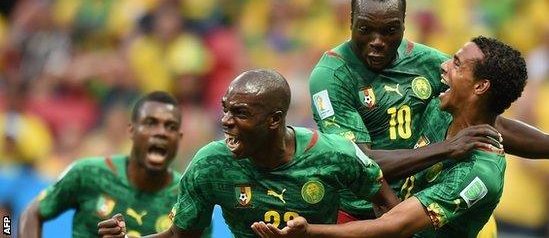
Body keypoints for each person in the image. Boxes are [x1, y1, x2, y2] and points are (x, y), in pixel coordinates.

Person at [308, 0, 549, 225]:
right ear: (350, 21)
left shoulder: (428, 63)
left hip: (423, 210)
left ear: (404, 24)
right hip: (356, 214)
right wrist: (446, 148)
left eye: (390, 30)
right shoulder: (332, 75)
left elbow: (483, 120)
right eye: (365, 29)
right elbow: (359, 164)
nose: (377, 41)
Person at [250, 36, 522, 237]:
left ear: (481, 86)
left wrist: (310, 232)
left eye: (457, 64)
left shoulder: (480, 171)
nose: (443, 65)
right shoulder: (440, 111)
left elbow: (395, 226)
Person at [96, 69, 400, 238]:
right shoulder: (210, 164)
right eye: (225, 109)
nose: (226, 121)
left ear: (274, 120)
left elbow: (391, 213)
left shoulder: (335, 154)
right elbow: (180, 236)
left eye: (240, 113)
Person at [19, 91, 212, 237]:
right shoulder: (89, 173)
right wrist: (5, 228)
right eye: (151, 123)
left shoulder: (190, 200)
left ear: (179, 138)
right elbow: (30, 213)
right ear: (131, 130)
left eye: (170, 126)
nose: (160, 132)